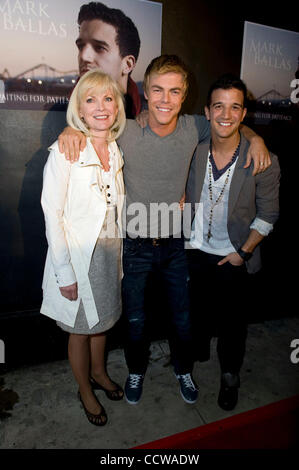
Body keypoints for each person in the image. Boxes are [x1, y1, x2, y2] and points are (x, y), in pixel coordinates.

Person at [57, 55, 271, 407]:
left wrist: (255, 137)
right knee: (136, 321)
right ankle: (136, 370)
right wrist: (71, 130)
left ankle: (183, 369)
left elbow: (227, 123)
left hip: (176, 246)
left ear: (185, 96)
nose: (165, 100)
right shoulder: (124, 128)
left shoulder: (193, 128)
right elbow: (92, 125)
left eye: (174, 91)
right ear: (145, 90)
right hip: (135, 246)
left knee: (183, 320)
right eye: (157, 90)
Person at [185, 74, 280, 411]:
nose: (226, 115)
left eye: (234, 107)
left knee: (232, 327)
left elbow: (268, 214)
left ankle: (230, 376)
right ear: (207, 112)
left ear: (243, 114)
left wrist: (244, 252)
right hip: (195, 252)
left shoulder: (262, 160)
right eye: (219, 107)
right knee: (194, 316)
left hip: (234, 256)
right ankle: (193, 358)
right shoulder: (194, 151)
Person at [40, 69, 127, 426]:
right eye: (90, 99)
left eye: (108, 98)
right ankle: (85, 388)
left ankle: (99, 373)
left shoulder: (117, 148)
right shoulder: (66, 149)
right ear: (79, 107)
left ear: (118, 107)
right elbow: (52, 212)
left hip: (109, 256)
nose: (101, 107)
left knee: (102, 323)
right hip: (77, 259)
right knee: (79, 329)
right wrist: (64, 273)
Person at [76, 1, 141, 117]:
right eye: (81, 46)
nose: (84, 56)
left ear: (128, 64)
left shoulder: (147, 116)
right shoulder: (61, 112)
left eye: (99, 48)